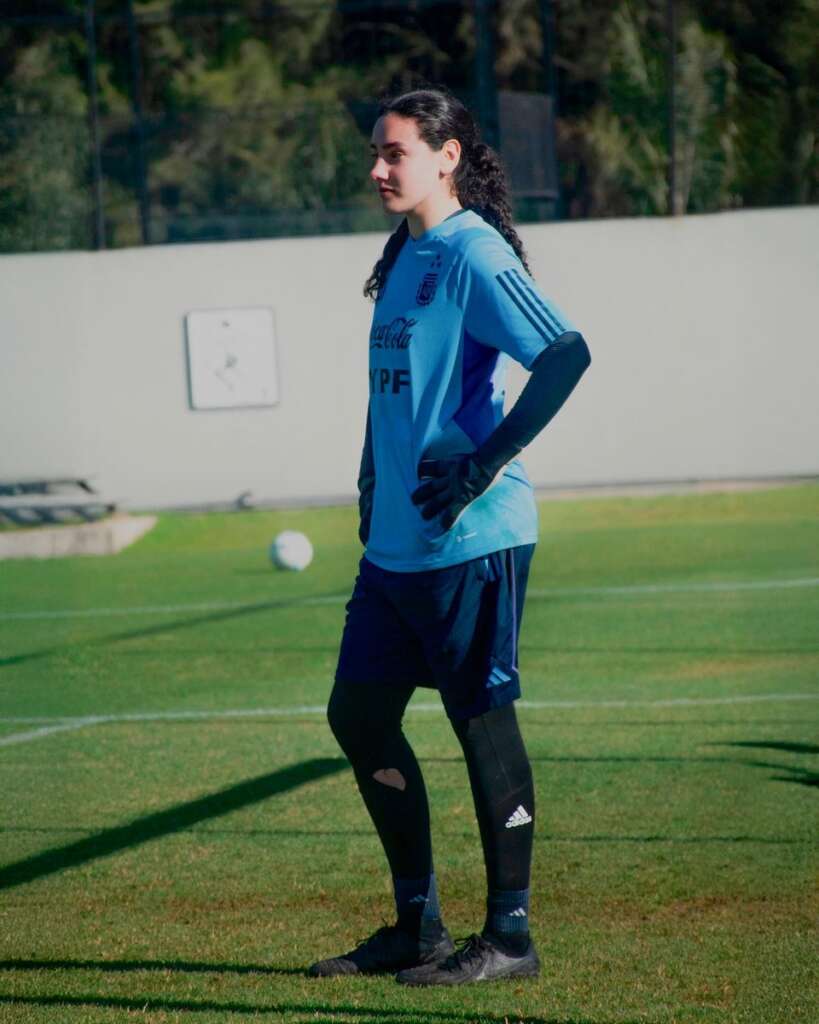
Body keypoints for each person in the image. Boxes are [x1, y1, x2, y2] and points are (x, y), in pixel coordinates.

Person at [308, 86, 591, 987]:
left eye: (393, 152)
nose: (376, 168)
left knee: (481, 725)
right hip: (395, 545)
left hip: (470, 539)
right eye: (374, 152)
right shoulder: (403, 255)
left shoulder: (473, 252)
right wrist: (369, 476)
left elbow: (565, 355)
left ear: (448, 155)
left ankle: (508, 936)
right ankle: (416, 926)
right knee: (358, 717)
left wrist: (479, 467)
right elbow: (389, 391)